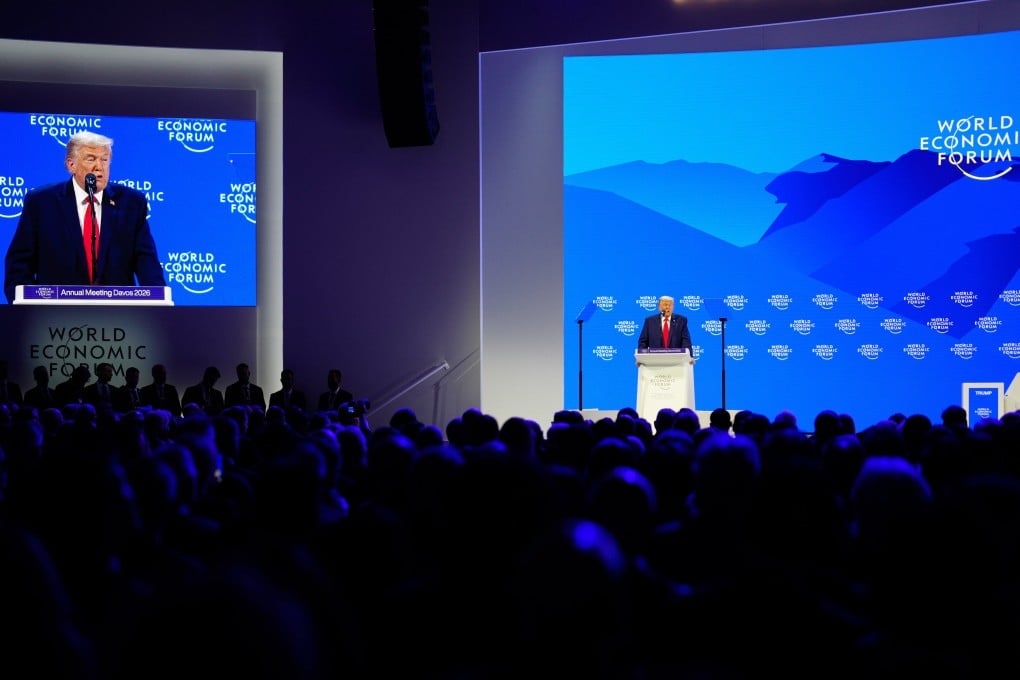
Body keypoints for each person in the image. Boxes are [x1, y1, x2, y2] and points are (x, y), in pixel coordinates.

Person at [3, 130, 166, 303]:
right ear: (71, 165)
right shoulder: (42, 203)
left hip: (117, 318)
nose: (99, 167)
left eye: (104, 159)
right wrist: (26, 310)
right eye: (91, 159)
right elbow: (19, 266)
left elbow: (147, 265)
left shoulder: (131, 203)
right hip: (55, 318)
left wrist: (158, 308)